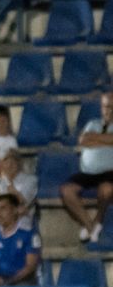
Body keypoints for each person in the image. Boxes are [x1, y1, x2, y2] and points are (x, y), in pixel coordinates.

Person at [61, 90, 113, 243]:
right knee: (66, 190)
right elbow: (83, 140)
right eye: (106, 107)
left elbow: (90, 139)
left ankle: (98, 220)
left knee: (106, 189)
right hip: (87, 173)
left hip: (110, 172)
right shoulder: (92, 124)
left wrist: (94, 139)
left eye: (112, 107)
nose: (109, 111)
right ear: (101, 108)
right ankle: (90, 226)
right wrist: (107, 141)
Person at [0, 148, 36, 229]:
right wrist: (5, 209)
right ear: (1, 165)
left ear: (19, 163)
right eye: (6, 161)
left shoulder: (31, 180)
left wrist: (9, 184)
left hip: (19, 222)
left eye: (13, 160)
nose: (9, 164)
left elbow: (22, 201)